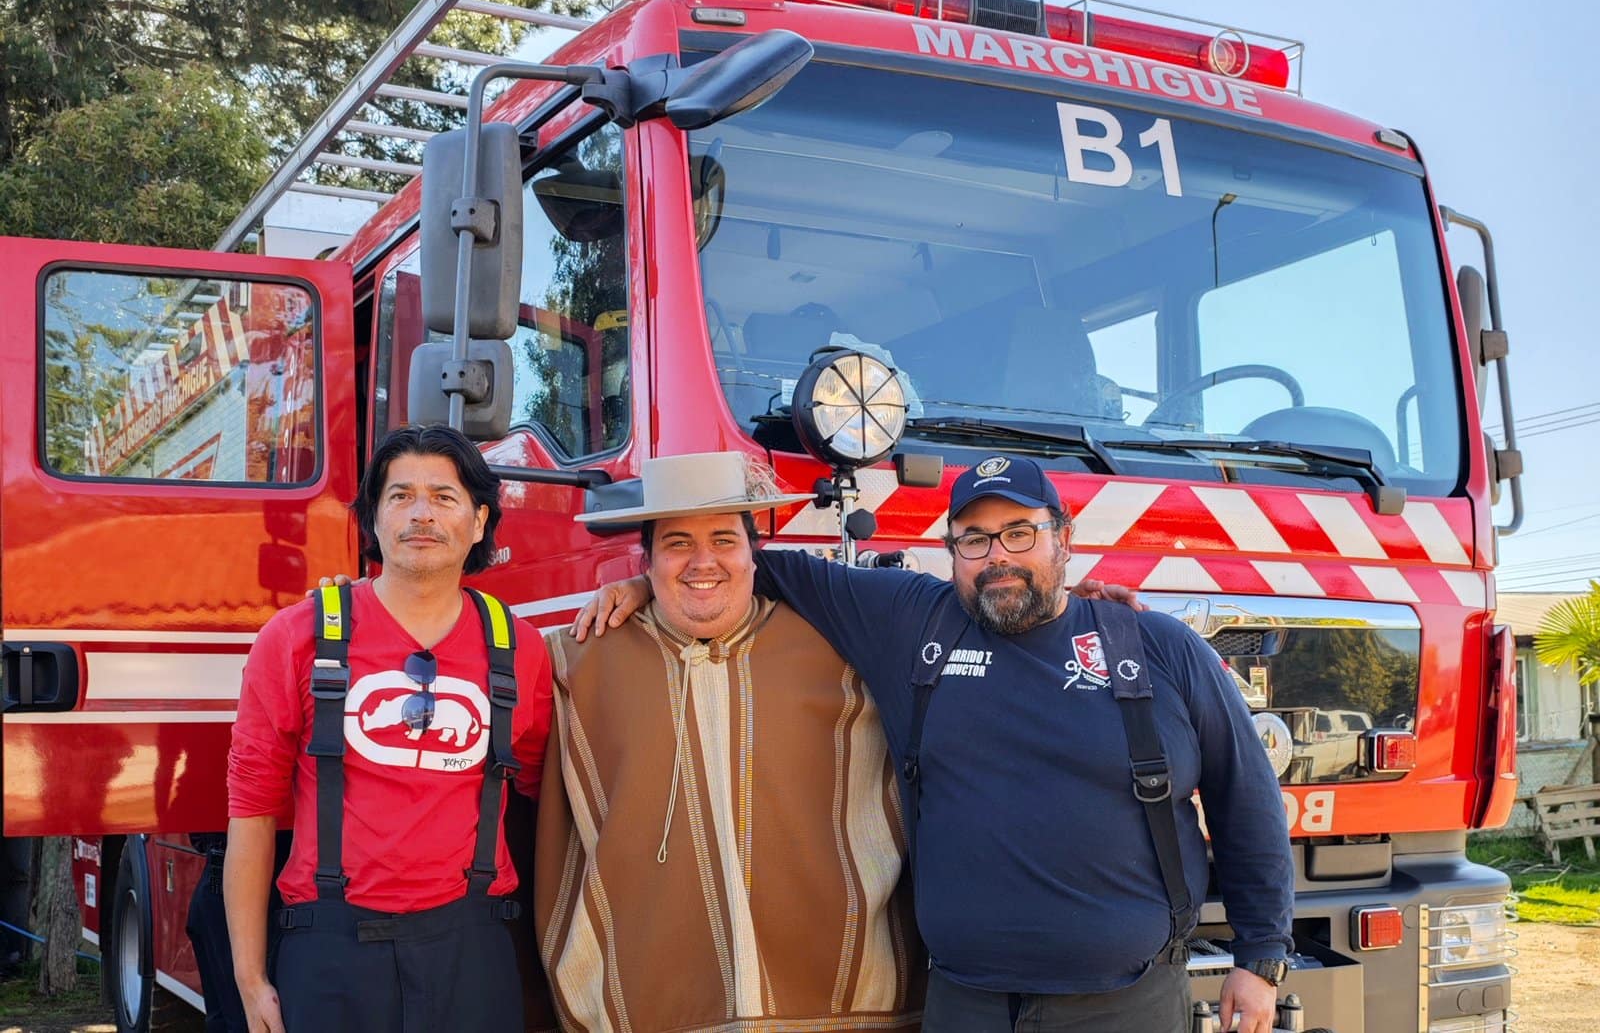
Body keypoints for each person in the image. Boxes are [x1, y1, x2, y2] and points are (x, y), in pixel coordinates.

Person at [576, 453, 1293, 1033]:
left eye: (1020, 533)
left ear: (1063, 538)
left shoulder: (1155, 646)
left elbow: (1245, 797)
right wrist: (654, 587)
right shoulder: (914, 621)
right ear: (951, 552)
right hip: (964, 1004)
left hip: (1123, 1004)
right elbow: (755, 569)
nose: (998, 557)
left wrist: (1259, 959)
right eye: (974, 540)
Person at [535, 451, 925, 1032]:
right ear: (647, 560)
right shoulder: (576, 662)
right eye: (676, 544)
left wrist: (1099, 614)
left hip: (835, 1011)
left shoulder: (839, 651)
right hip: (654, 1006)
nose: (702, 562)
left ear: (753, 555)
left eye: (723, 539)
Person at [225, 425, 553, 1033]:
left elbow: (554, 797)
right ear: (373, 519)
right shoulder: (296, 639)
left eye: (444, 496)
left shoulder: (521, 649)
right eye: (400, 495)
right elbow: (251, 812)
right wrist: (250, 979)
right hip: (329, 952)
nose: (421, 514)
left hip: (472, 949)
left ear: (479, 522)